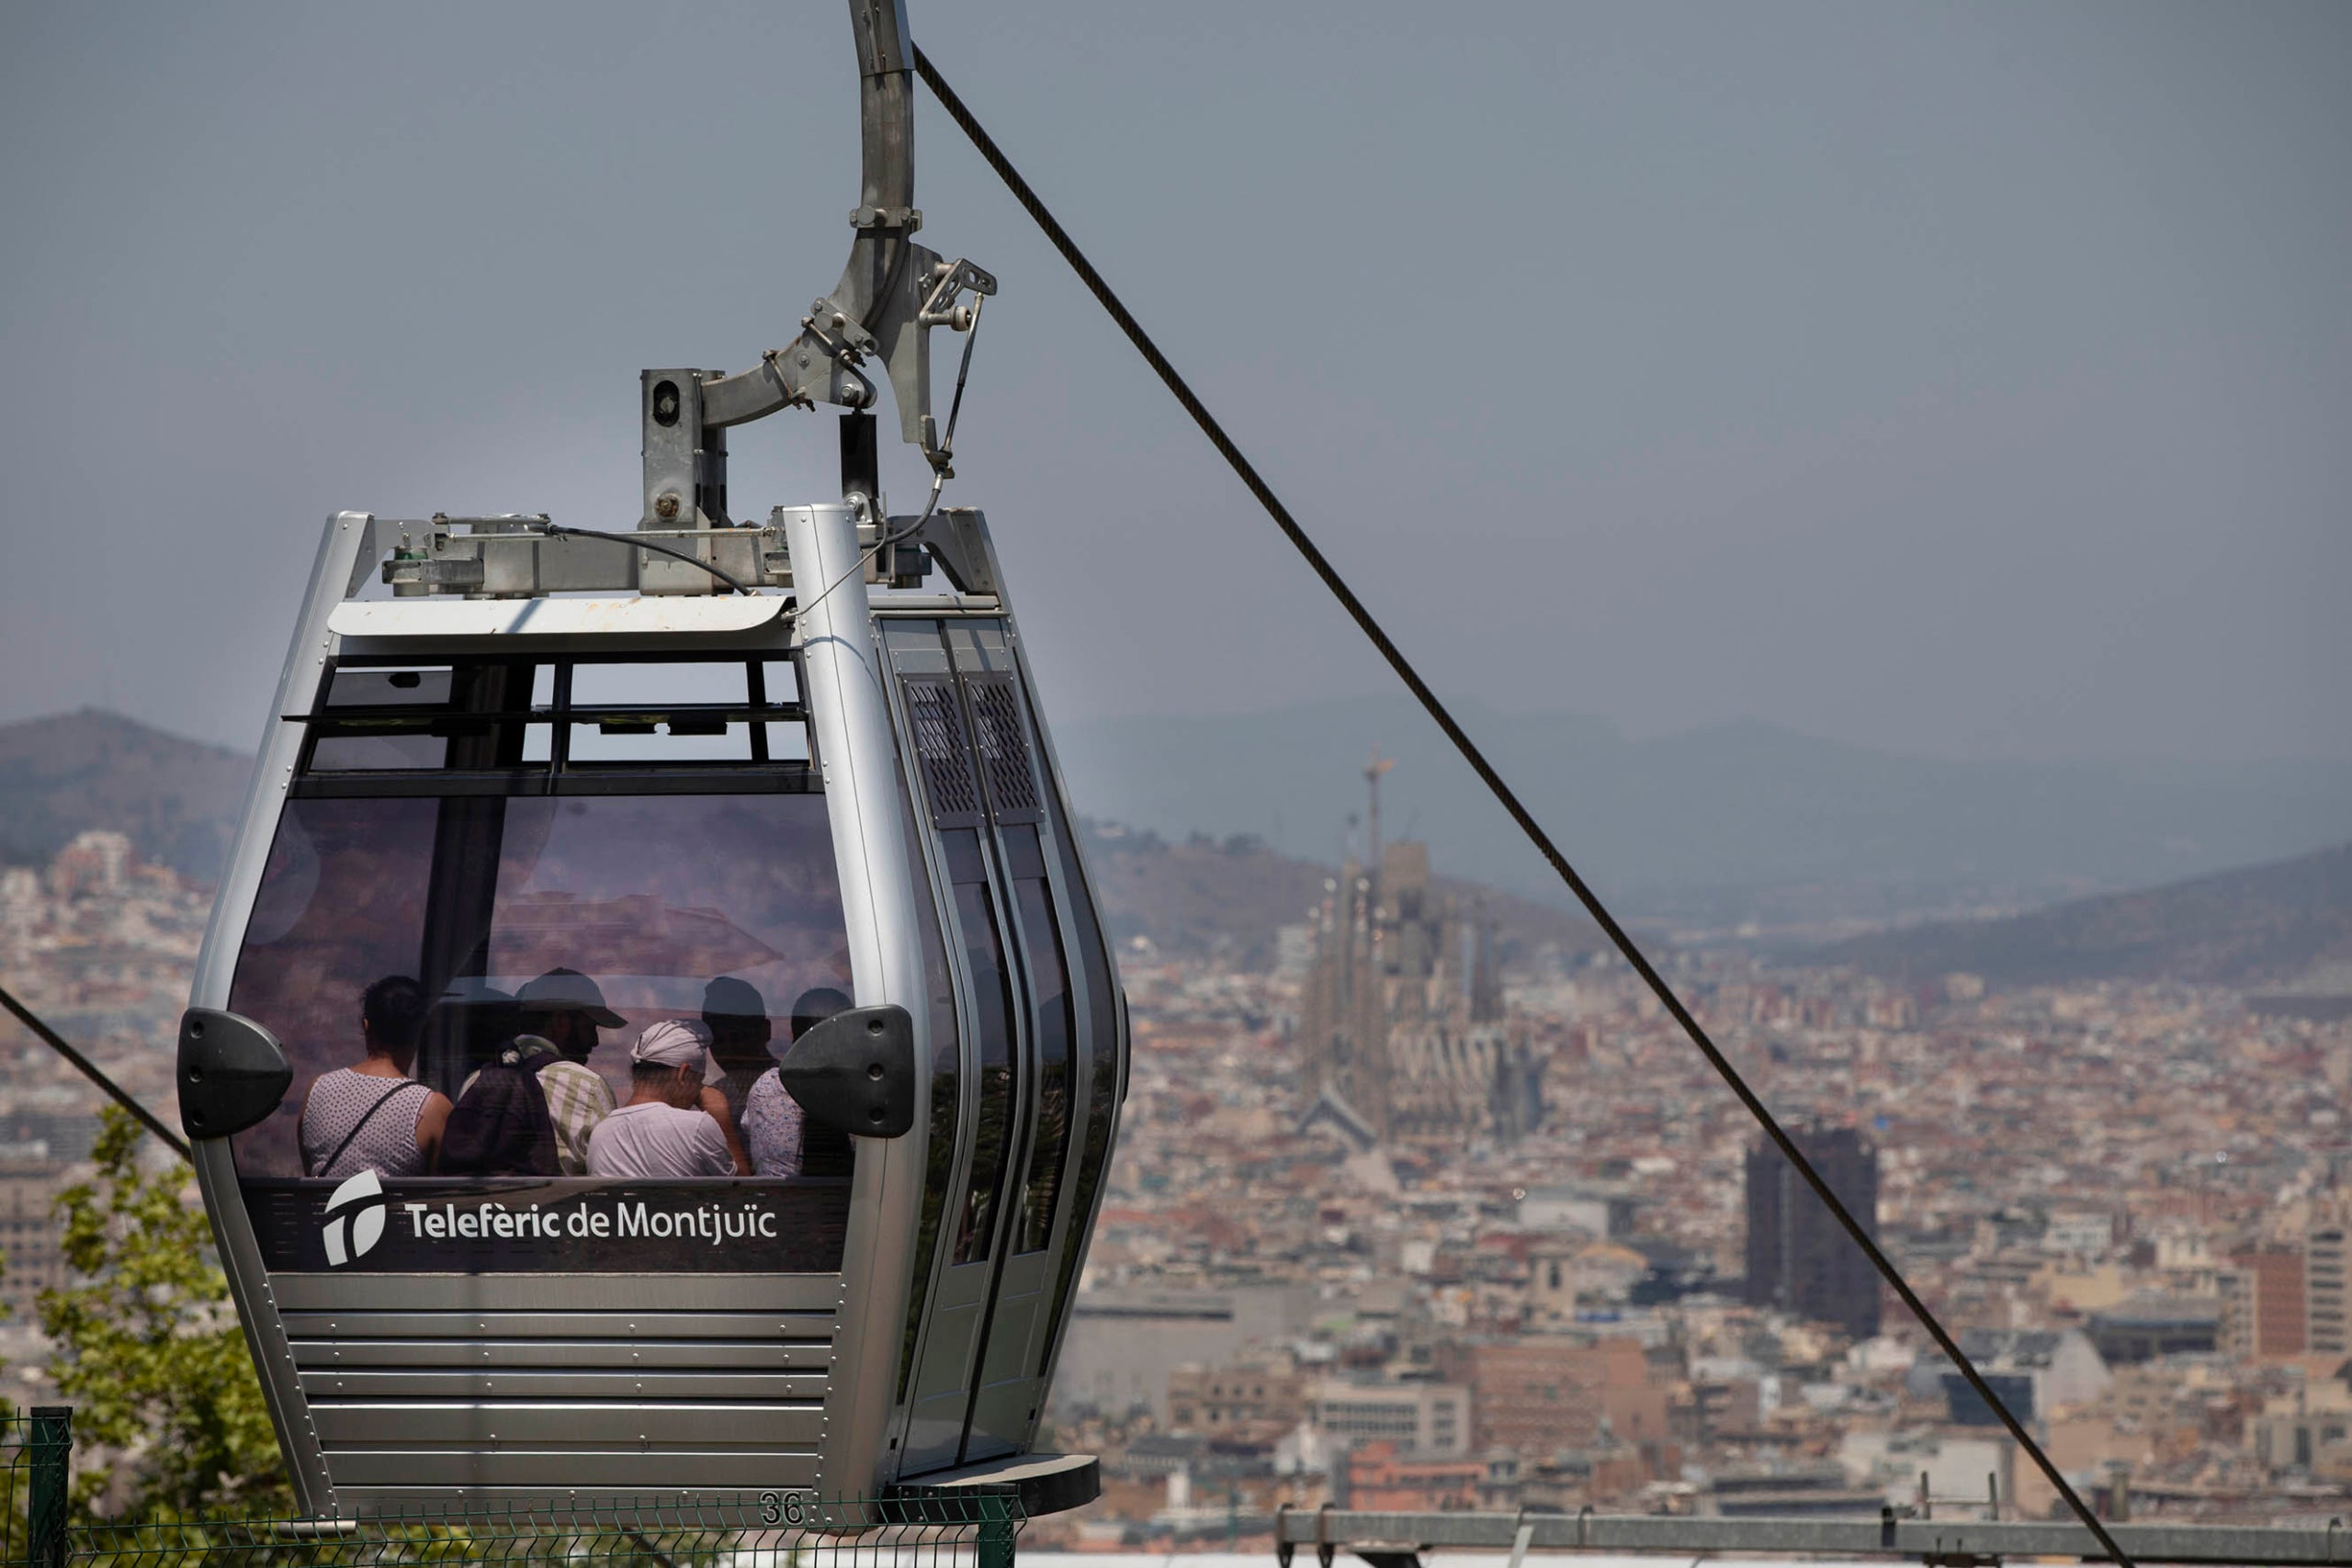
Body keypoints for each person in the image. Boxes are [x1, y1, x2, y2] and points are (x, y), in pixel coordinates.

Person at [440, 966, 621, 1176]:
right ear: (561, 1022)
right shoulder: (587, 1085)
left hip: (484, 1209)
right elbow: (608, 1177)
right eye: (589, 1027)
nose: (595, 1041)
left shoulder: (475, 1082)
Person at [299, 975, 452, 1179]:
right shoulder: (431, 1108)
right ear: (421, 1033)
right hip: (390, 1213)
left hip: (323, 1212)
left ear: (366, 1026)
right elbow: (444, 1198)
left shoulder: (317, 1091)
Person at [585, 1020, 737, 1179]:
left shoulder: (600, 1132)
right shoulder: (696, 1126)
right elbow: (739, 1189)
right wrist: (721, 1117)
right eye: (699, 1082)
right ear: (683, 1074)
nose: (696, 1093)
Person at [739, 985, 851, 1178]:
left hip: (774, 1206)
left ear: (793, 1037)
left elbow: (748, 1127)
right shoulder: (868, 1092)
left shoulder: (767, 1087)